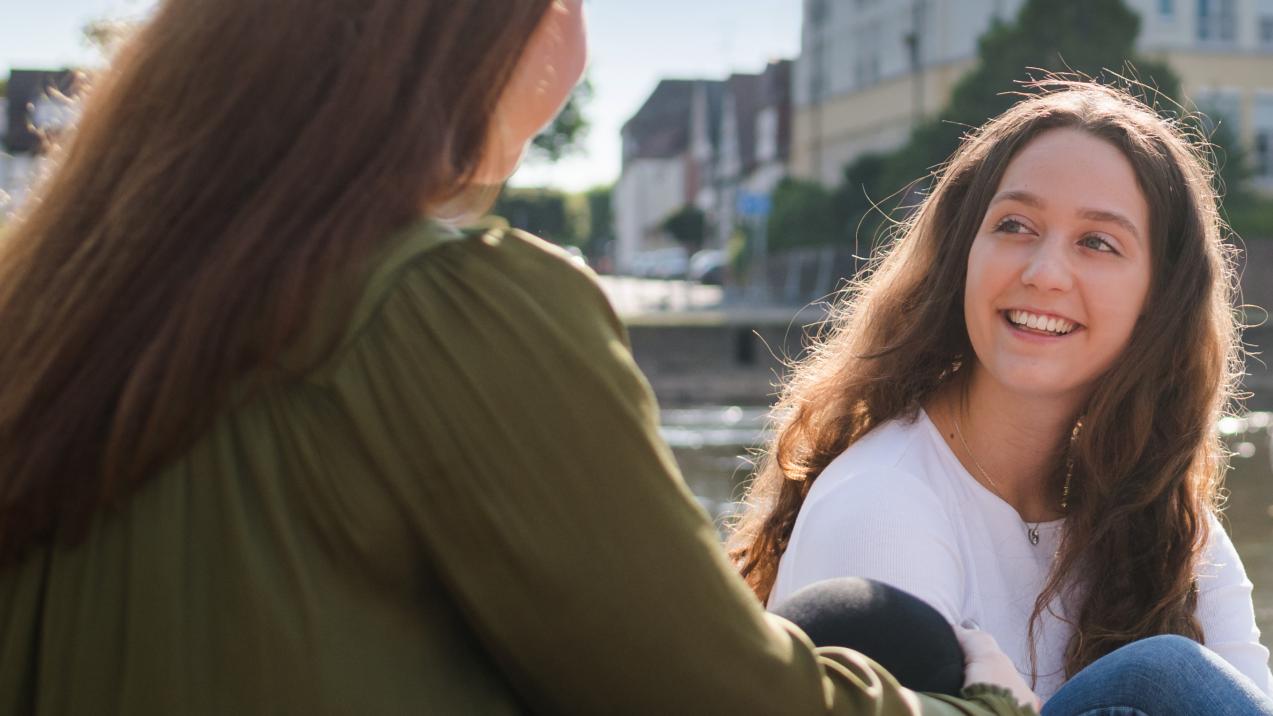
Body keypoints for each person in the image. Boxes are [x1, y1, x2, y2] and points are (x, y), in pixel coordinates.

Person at [0, 1, 1038, 713]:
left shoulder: (64, 307)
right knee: (909, 640)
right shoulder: (452, 305)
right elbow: (713, 694)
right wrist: (979, 701)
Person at [728, 80, 1273, 708]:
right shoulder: (883, 504)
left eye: (1098, 242)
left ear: (1160, 299)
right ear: (964, 253)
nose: (1042, 272)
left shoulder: (1169, 522)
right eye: (1015, 225)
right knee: (1160, 673)